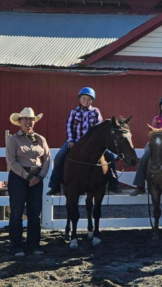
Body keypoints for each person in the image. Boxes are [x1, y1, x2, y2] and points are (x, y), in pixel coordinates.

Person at [47, 87, 120, 195]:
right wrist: (71, 140)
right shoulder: (74, 111)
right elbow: (69, 126)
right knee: (58, 158)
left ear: (92, 101)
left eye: (89, 99)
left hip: (92, 144)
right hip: (76, 141)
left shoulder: (95, 111)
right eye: (84, 98)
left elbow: (99, 127)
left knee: (110, 157)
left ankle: (113, 183)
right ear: (80, 99)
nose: (86, 101)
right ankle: (55, 185)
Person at [6, 107, 50, 257]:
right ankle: (16, 245)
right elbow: (11, 161)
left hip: (37, 178)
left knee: (34, 213)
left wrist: (41, 176)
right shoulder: (13, 140)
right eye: (25, 119)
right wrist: (27, 176)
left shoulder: (40, 139)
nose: (28, 122)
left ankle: (34, 245)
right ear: (19, 122)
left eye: (30, 119)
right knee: (17, 212)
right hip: (19, 178)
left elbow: (47, 159)